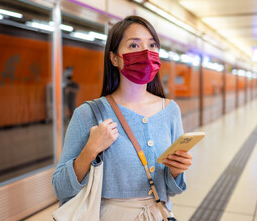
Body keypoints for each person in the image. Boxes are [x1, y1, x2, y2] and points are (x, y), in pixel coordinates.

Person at [52, 16, 193, 220]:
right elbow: (60, 188)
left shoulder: (170, 111)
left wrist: (175, 172)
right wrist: (90, 150)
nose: (145, 52)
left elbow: (173, 189)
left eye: (152, 45)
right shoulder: (89, 114)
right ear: (114, 58)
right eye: (134, 44)